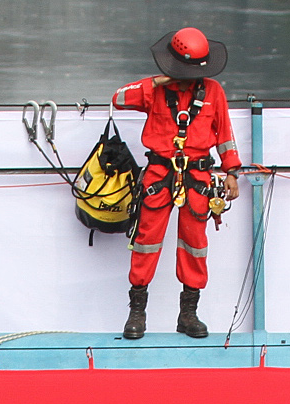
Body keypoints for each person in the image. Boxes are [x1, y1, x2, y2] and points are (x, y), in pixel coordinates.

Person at [111, 27, 243, 341]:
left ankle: (188, 314)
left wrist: (232, 172)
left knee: (194, 244)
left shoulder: (213, 91)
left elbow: (224, 134)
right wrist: (155, 81)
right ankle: (137, 313)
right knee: (146, 241)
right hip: (159, 176)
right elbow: (118, 99)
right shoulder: (153, 90)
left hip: (197, 178)